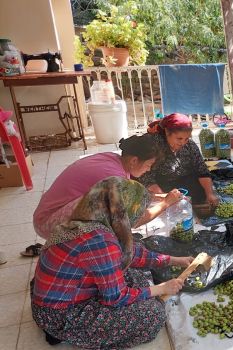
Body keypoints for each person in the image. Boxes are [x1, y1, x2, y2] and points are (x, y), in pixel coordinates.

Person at [31, 177, 193, 348]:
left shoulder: (88, 219)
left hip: (62, 291)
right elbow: (115, 298)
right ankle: (68, 333)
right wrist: (162, 288)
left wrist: (173, 260)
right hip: (59, 314)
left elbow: (130, 254)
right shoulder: (100, 241)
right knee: (153, 314)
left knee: (134, 274)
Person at [33, 134, 182, 240]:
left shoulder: (114, 159)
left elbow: (132, 196)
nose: (149, 170)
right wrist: (165, 203)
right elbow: (134, 220)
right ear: (135, 160)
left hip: (47, 213)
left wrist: (159, 197)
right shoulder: (113, 177)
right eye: (149, 165)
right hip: (48, 223)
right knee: (116, 223)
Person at [139, 113, 219, 208]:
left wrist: (209, 194)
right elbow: (147, 180)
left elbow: (202, 170)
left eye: (187, 138)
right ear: (167, 132)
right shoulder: (153, 146)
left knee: (203, 195)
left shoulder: (190, 145)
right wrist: (166, 201)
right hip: (162, 187)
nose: (183, 143)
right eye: (179, 138)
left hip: (185, 182)